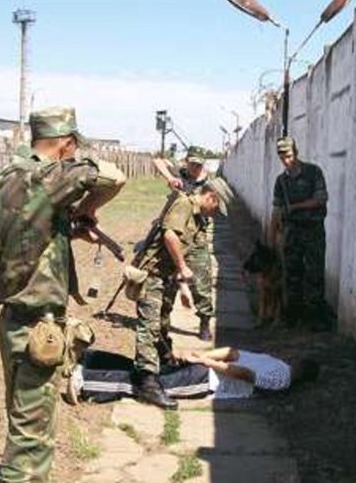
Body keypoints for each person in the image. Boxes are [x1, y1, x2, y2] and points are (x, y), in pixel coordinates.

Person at [0, 106, 126, 483]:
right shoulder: (49, 177)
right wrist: (84, 207)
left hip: (14, 318)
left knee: (25, 417)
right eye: (73, 146)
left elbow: (20, 233)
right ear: (65, 143)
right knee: (31, 434)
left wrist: (63, 223)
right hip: (36, 326)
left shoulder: (7, 179)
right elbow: (113, 176)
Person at [132, 176, 232, 410]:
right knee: (149, 326)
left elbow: (184, 250)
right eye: (216, 208)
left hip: (166, 276)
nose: (214, 215)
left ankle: (162, 365)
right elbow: (170, 236)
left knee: (162, 323)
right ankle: (147, 382)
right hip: (152, 274)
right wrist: (183, 267)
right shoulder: (184, 204)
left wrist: (183, 284)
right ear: (211, 197)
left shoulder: (197, 218)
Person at [67, 345, 319, 403]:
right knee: (148, 384)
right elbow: (241, 369)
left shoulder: (276, 367)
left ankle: (91, 362)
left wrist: (202, 356)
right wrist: (203, 359)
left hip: (207, 373)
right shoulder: (283, 377)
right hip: (206, 377)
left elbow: (235, 358)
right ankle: (86, 379)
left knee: (146, 372)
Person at [152, 147, 215, 340]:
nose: (195, 168)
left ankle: (204, 321)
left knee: (201, 283)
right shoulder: (181, 174)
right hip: (178, 233)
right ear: (186, 162)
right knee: (169, 280)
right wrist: (170, 178)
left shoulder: (207, 183)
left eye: (199, 165)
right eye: (192, 163)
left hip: (197, 237)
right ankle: (163, 323)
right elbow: (157, 160)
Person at [271, 136, 332, 330]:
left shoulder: (313, 172)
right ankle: (293, 316)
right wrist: (273, 235)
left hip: (313, 230)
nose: (286, 160)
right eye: (282, 157)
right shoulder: (281, 181)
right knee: (292, 273)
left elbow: (321, 199)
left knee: (315, 273)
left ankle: (314, 318)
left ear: (296, 152)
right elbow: (276, 209)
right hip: (292, 232)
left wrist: (295, 207)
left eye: (289, 155)